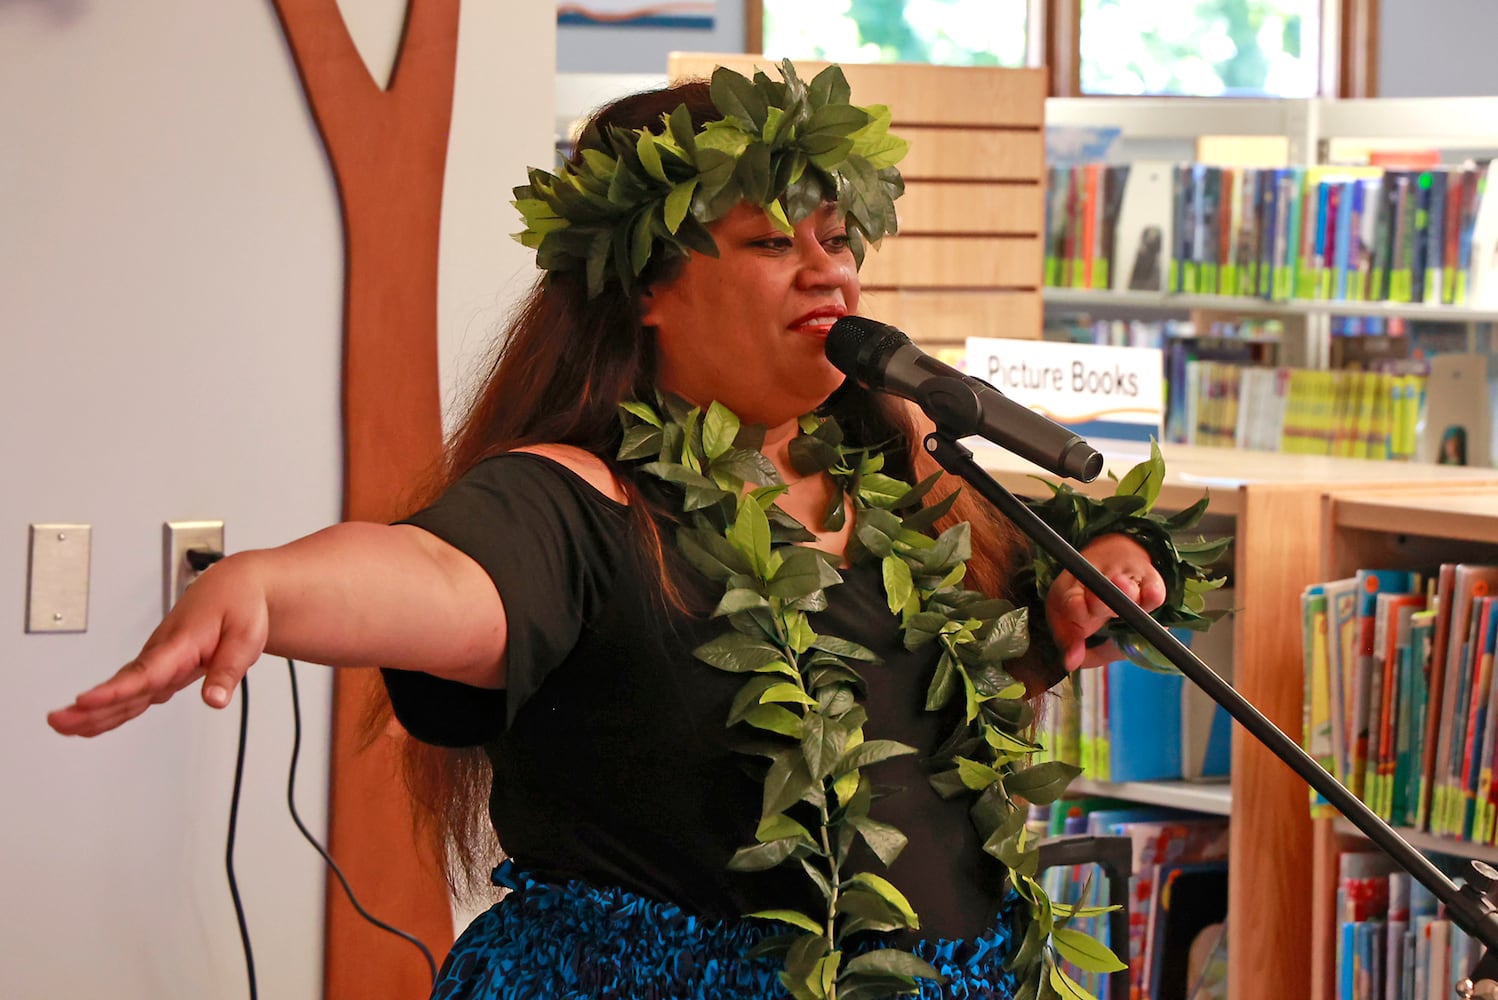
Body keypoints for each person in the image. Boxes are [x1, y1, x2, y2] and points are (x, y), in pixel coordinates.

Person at [48, 62, 1194, 1000]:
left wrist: (1085, 589)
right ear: (645, 286)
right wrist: (263, 585)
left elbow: (965, 680)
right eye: (767, 243)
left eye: (839, 240)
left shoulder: (898, 483)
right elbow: (432, 573)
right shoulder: (575, 502)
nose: (827, 272)